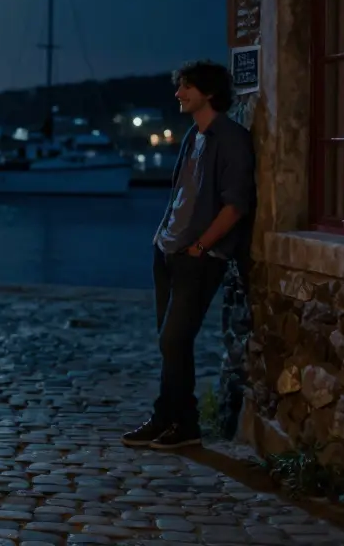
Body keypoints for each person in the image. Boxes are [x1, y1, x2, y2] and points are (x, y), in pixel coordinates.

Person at [122, 60, 255, 450]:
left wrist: (200, 247)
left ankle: (185, 424)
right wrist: (162, 238)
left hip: (198, 258)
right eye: (179, 86)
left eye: (186, 87)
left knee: (174, 339)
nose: (178, 93)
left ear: (209, 92)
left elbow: (237, 204)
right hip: (167, 251)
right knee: (170, 343)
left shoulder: (231, 138)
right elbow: (181, 194)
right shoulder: (193, 136)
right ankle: (167, 418)